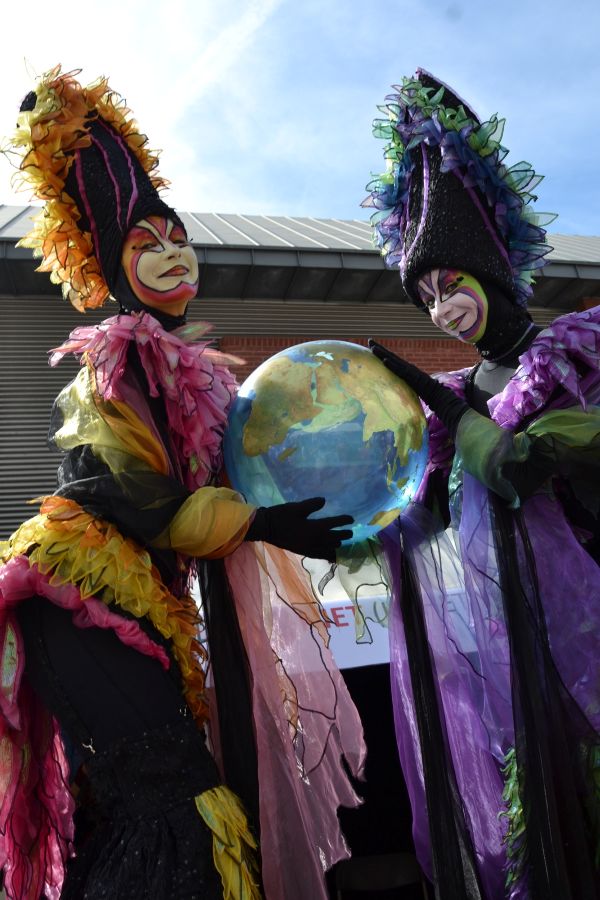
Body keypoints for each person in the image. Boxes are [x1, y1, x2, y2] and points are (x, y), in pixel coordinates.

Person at [0, 66, 365, 900]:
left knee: (149, 807)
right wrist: (262, 524)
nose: (172, 256)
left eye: (178, 238)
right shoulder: (119, 354)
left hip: (129, 606)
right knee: (177, 806)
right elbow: (135, 498)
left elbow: (234, 474)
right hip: (79, 598)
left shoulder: (188, 370)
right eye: (146, 246)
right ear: (111, 268)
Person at [361, 69, 600, 899]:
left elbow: (528, 463)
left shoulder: (575, 353)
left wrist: (474, 427)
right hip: (516, 652)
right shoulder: (454, 398)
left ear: (492, 269)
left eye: (452, 285)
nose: (441, 311)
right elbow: (423, 514)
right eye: (426, 299)